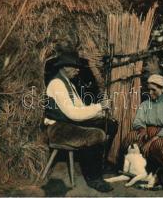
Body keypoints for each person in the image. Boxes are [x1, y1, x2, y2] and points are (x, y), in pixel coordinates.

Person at [44, 51, 118, 192]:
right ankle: (93, 178)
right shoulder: (57, 84)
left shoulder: (68, 84)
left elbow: (80, 108)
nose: (78, 70)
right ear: (65, 67)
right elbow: (73, 114)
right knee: (96, 134)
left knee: (111, 124)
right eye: (75, 67)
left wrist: (100, 113)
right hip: (58, 129)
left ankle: (99, 163)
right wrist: (99, 106)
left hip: (69, 123)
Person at [123, 74, 163, 184]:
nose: (150, 93)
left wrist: (151, 141)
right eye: (149, 89)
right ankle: (136, 168)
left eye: (154, 90)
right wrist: (142, 129)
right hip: (147, 132)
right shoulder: (145, 104)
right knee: (131, 136)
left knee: (158, 145)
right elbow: (138, 121)